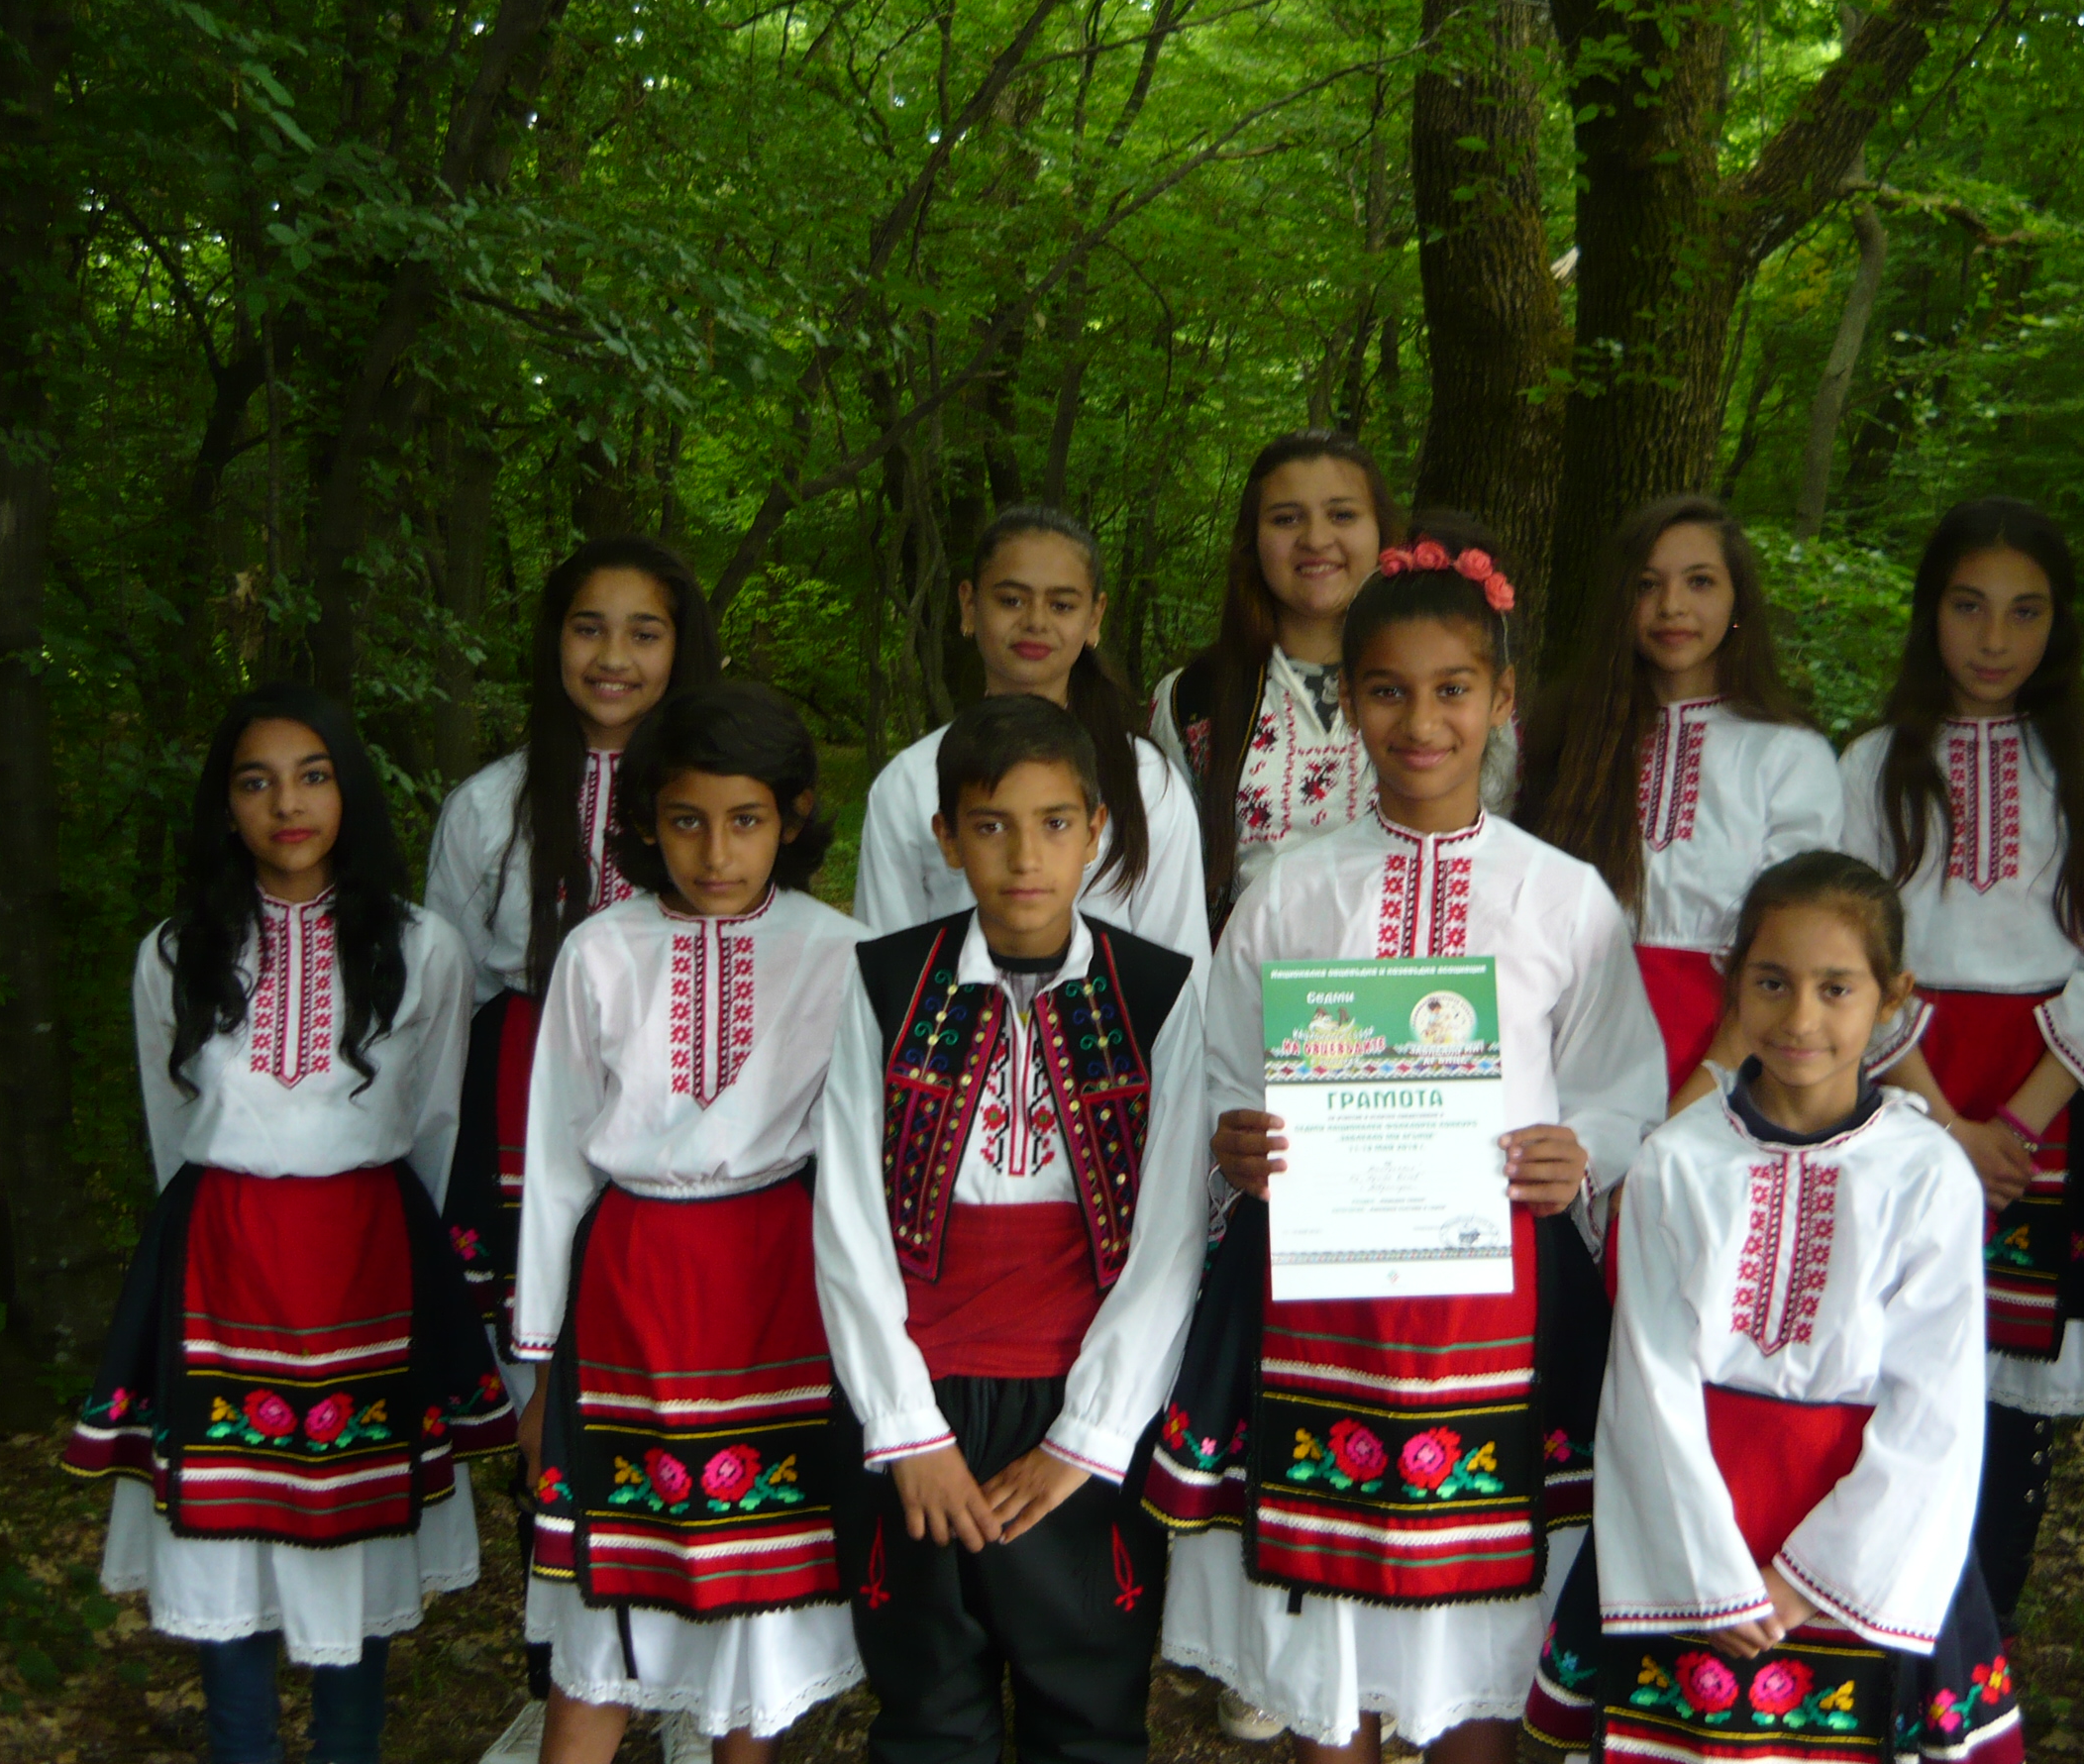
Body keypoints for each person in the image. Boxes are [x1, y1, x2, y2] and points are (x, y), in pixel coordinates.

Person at [1143, 518, 1665, 1764]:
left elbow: (1621, 1083)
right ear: (1350, 699)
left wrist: (1581, 1150)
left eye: (1451, 690)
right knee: (1328, 1629)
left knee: (1471, 1626)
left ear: (1500, 700)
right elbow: (1222, 1065)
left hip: (1496, 1308)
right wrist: (1234, 1140)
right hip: (1319, 1308)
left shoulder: (1561, 895)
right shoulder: (1292, 889)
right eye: (1386, 691)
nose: (1420, 722)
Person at [62, 682, 512, 1764]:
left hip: (368, 1266)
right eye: (255, 782)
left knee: (354, 1539)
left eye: (313, 776)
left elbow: (436, 1123)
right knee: (224, 1534)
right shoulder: (175, 952)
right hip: (220, 1263)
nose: (288, 804)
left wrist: (404, 1254)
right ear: (226, 807)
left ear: (348, 790)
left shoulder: (423, 949)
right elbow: (172, 1128)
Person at [1531, 853, 2019, 1764]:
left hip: (1869, 1525)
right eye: (1772, 982)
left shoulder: (1927, 1175)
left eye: (1837, 988)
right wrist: (1709, 1573)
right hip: (1694, 1511)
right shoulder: (1677, 1160)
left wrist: (1812, 1580)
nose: (1800, 1018)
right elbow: (1648, 1376)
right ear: (1733, 983)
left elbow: (1938, 1402)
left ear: (1894, 996)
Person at [814, 692, 1211, 1764]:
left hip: (1079, 1398)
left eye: (1053, 823)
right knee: (927, 1712)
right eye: (990, 826)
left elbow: (1171, 1233)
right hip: (919, 1393)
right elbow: (846, 1215)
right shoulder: (886, 983)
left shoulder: (1160, 992)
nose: (1024, 856)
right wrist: (905, 1429)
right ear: (946, 838)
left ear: (1096, 832)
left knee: (1087, 1711)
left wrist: (1090, 1438)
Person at [513, 683, 867, 1764]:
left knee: (754, 1606)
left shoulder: (843, 951)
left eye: (745, 819)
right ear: (645, 821)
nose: (716, 851)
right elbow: (555, 1163)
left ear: (793, 818)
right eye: (686, 820)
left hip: (776, 1289)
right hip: (630, 1286)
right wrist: (538, 1363)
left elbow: (864, 1162)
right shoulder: (599, 951)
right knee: (604, 1598)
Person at [1837, 498, 2084, 1635]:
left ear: (2057, 624)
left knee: (2010, 1414)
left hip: (2051, 1103)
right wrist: (1943, 1124)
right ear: (1929, 613)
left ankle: (1975, 1658)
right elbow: (1845, 947)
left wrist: (2014, 1129)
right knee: (1884, 1382)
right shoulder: (1871, 764)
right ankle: (1877, 1644)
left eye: (2025, 612)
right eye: (1968, 606)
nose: (1993, 638)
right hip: (1903, 1087)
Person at [424, 537, 723, 1764]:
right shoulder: (489, 805)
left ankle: (690, 1683)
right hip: (518, 1111)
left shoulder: (711, 797)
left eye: (644, 631)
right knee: (541, 1397)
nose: (613, 656)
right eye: (589, 628)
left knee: (676, 1386)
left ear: (681, 649)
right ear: (553, 643)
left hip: (678, 1111)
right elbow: (444, 990)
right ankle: (558, 1676)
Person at [1519, 495, 1840, 1106]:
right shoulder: (1570, 735)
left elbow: (1795, 948)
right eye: (1647, 584)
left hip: (1737, 1049)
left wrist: (1688, 1108)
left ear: (1738, 601)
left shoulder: (1788, 753)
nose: (1672, 606)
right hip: (1574, 1035)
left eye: (1700, 582)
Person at [855, 507, 1210, 979]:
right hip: (947, 1025)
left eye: (1061, 605)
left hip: (1115, 1026)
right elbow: (884, 970)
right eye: (1011, 600)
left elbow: (1182, 974)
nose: (1036, 622)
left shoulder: (1145, 779)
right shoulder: (909, 782)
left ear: (1094, 617)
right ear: (969, 605)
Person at [1149, 430, 1401, 934]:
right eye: (1286, 519)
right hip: (1248, 971)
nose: (1316, 539)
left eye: (1342, 515)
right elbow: (1169, 887)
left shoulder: (1444, 689)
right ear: (1253, 539)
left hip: (1413, 976)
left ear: (1381, 533)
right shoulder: (1193, 699)